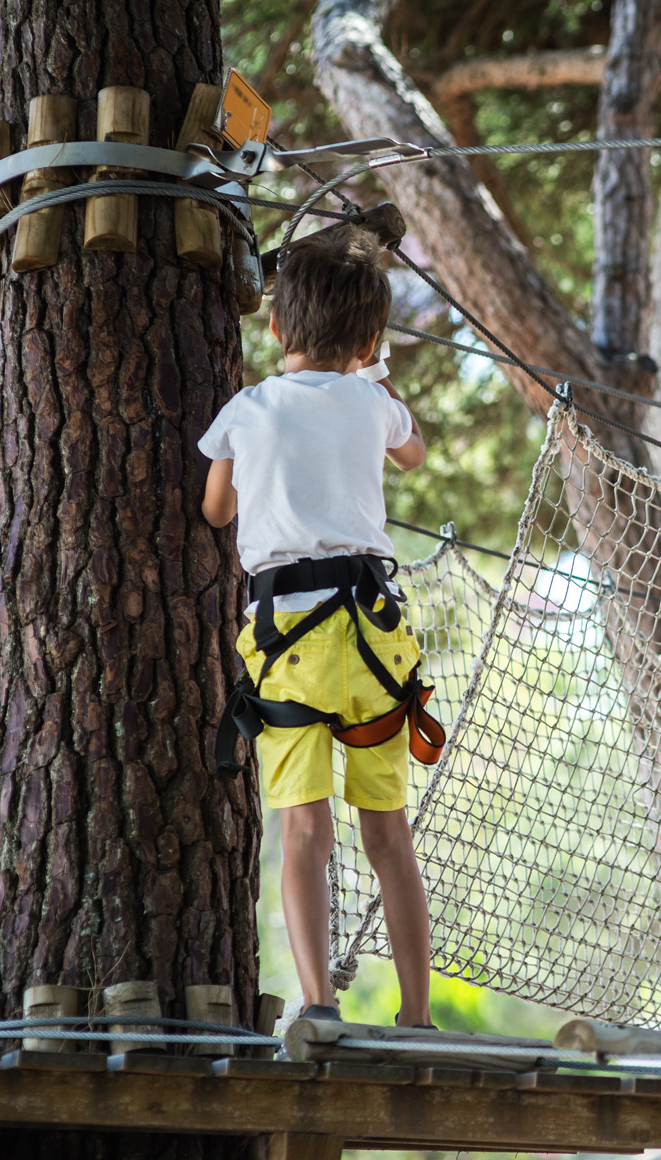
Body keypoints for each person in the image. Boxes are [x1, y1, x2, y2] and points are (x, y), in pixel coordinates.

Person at [200, 229, 439, 1028]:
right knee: (388, 836)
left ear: (274, 329)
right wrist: (373, 380)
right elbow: (416, 455)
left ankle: (319, 1002)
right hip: (371, 637)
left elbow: (216, 509)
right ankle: (415, 1013)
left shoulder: (249, 406)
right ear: (371, 341)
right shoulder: (374, 401)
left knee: (305, 830)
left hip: (288, 639)